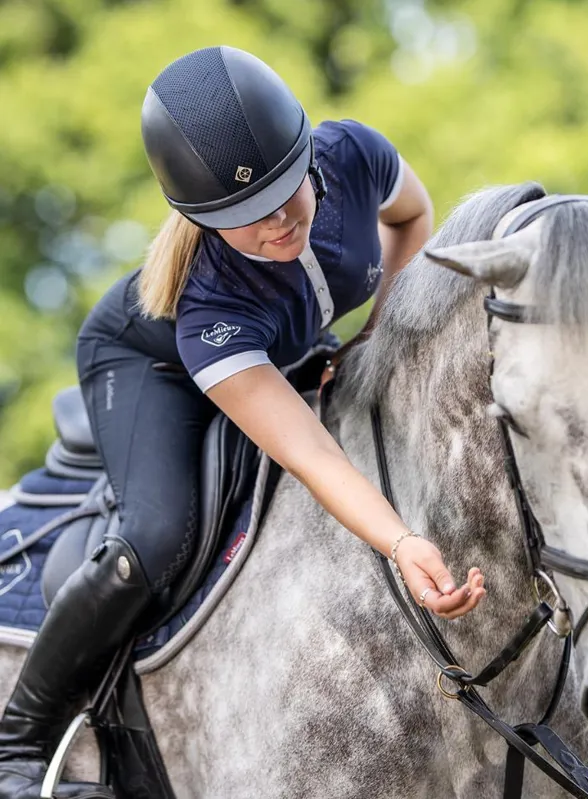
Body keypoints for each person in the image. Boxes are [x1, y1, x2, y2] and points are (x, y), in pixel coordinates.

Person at [0, 45, 486, 798]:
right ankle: (19, 739)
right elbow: (313, 455)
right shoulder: (208, 309)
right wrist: (400, 540)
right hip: (150, 365)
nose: (279, 222)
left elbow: (413, 216)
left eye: (287, 191)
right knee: (159, 533)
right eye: (245, 217)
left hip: (271, 348)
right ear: (199, 218)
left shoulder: (355, 155)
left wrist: (374, 338)